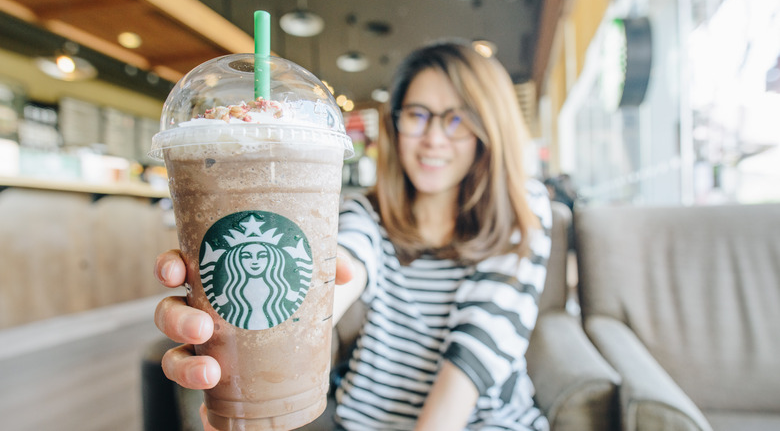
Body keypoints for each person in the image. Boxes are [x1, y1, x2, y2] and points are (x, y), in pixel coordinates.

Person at [154, 40, 552, 430]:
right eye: (417, 115)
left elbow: (475, 353)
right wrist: (252, 343)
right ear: (395, 124)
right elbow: (336, 271)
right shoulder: (366, 213)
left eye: (457, 118)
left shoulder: (523, 213)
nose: (434, 138)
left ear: (488, 127)